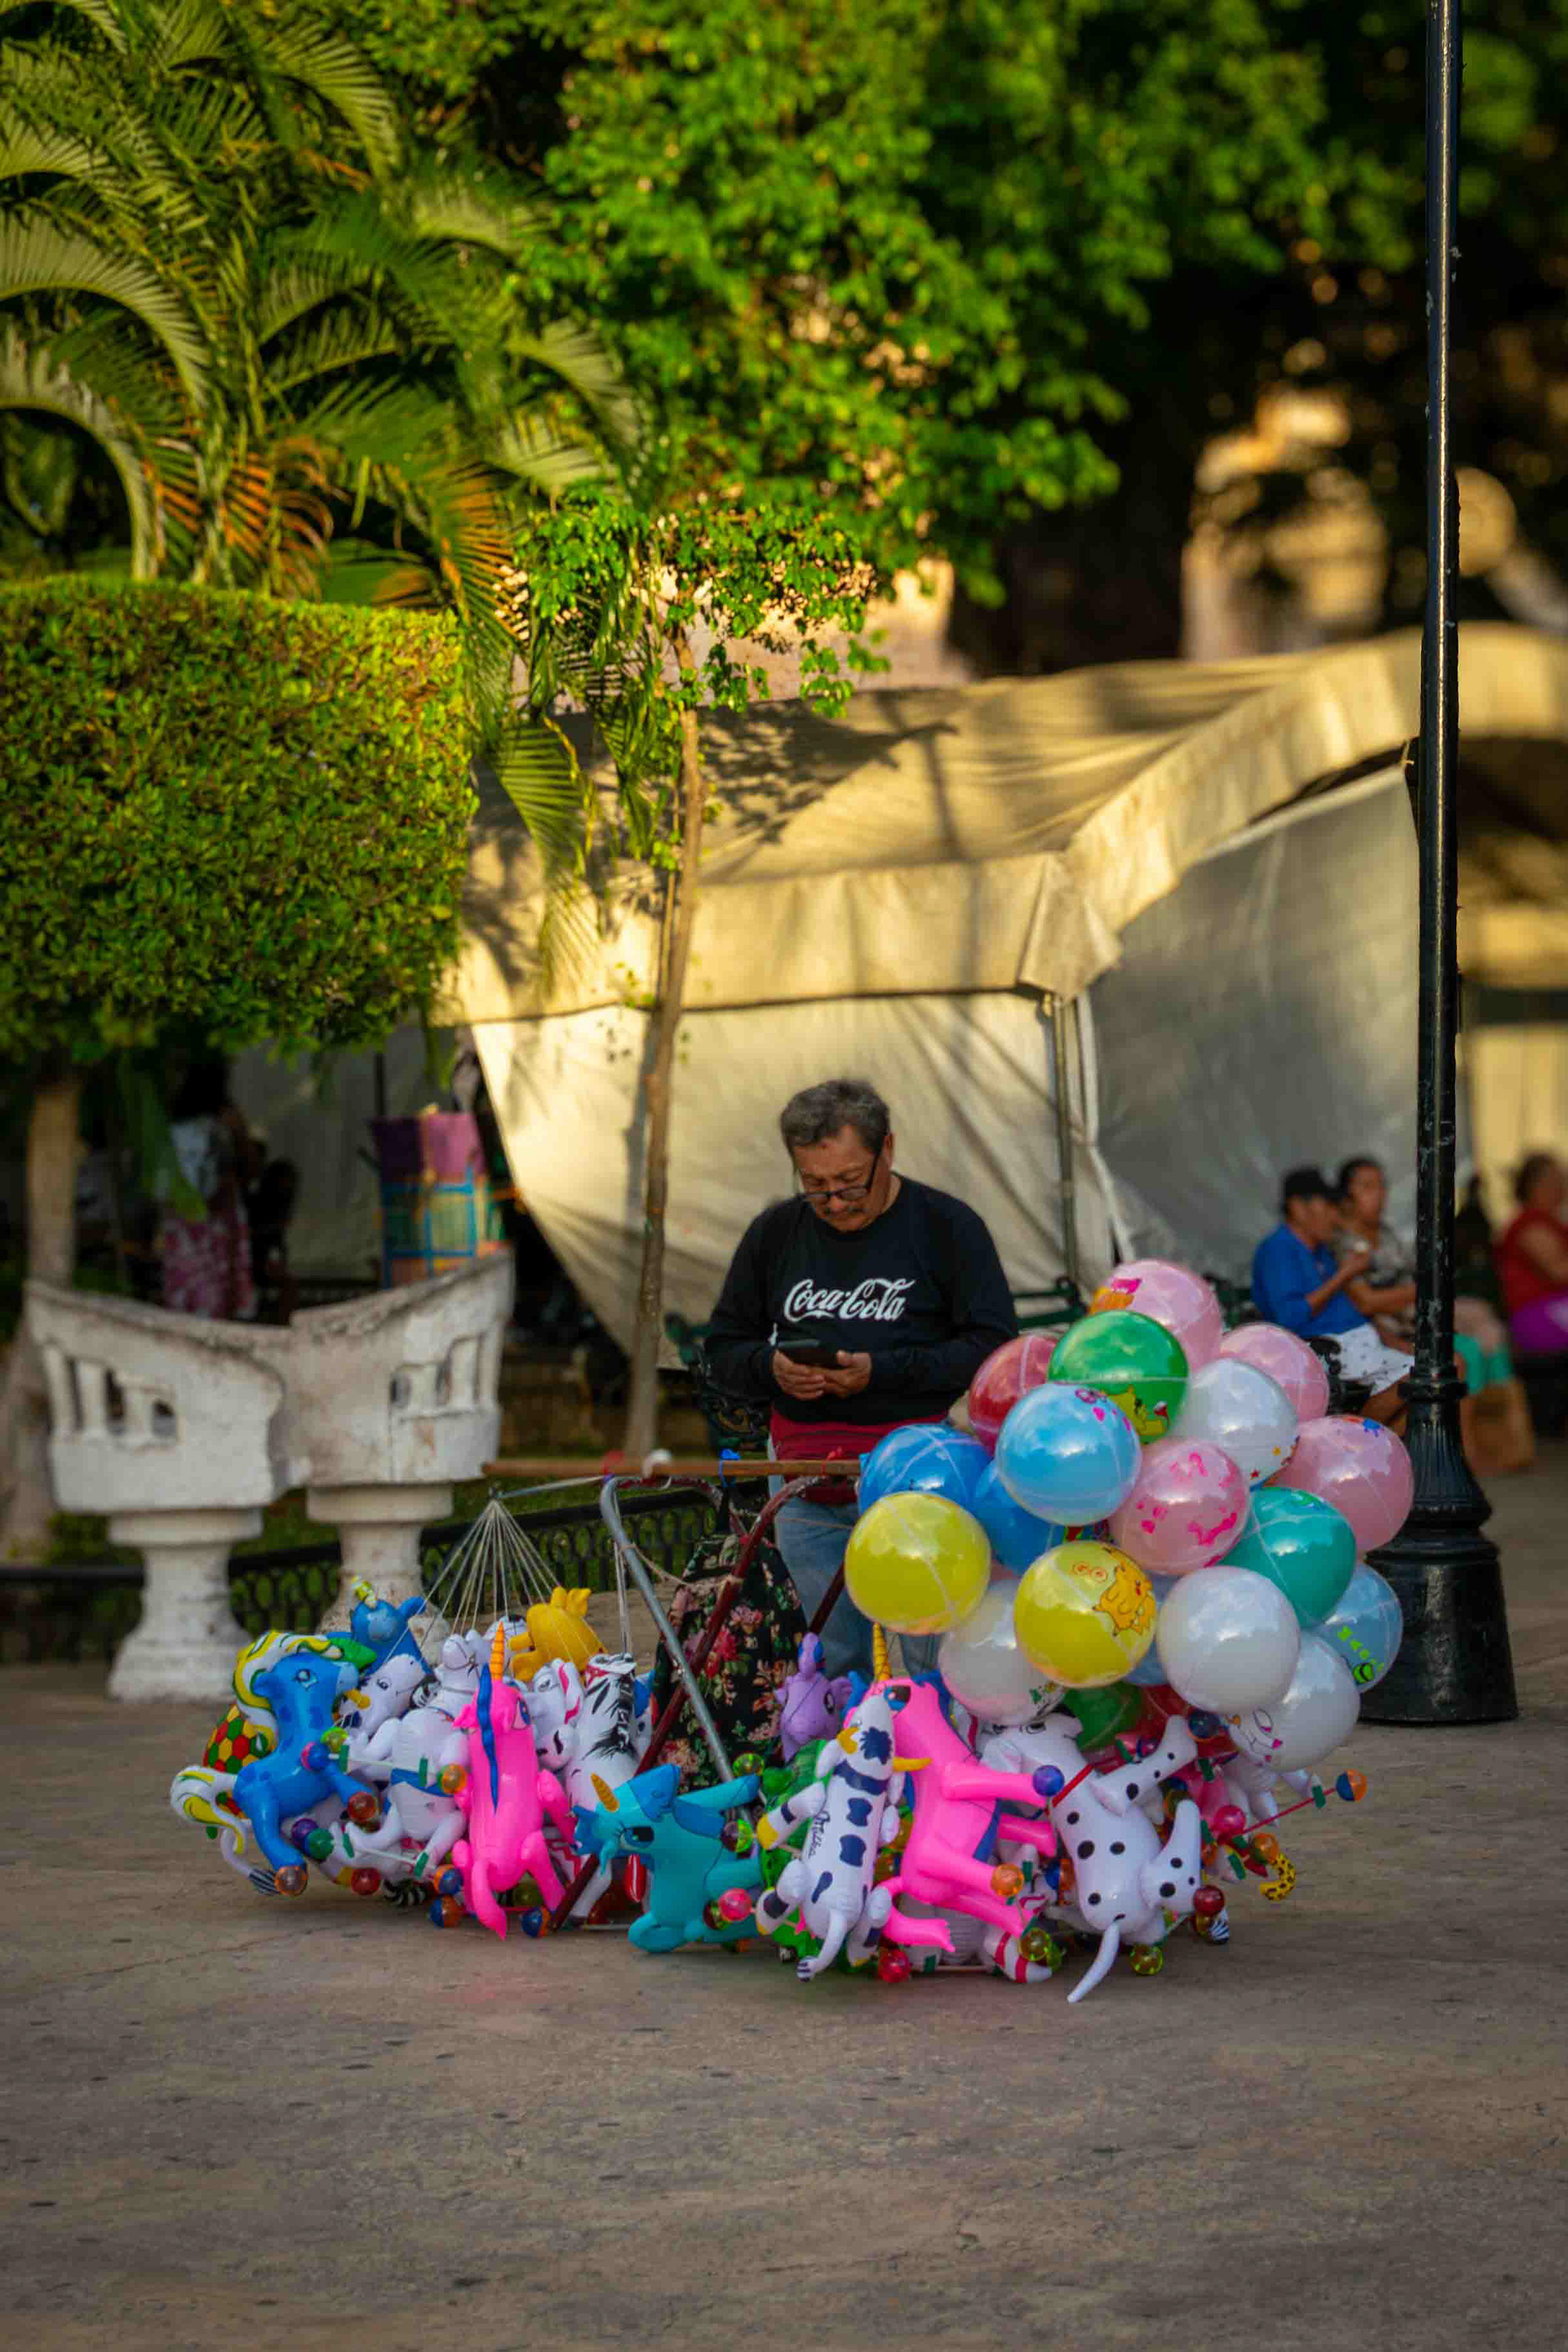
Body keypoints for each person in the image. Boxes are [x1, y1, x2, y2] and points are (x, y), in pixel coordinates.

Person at [705, 1076, 1018, 1677]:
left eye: (850, 1183)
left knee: (937, 1655)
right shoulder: (775, 1234)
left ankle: (940, 1762)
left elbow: (993, 1351)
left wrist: (881, 1373)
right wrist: (770, 1369)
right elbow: (722, 1349)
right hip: (804, 1480)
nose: (836, 1202)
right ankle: (842, 1764)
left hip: (923, 1478)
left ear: (888, 1150)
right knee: (826, 1661)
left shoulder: (947, 1227)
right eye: (815, 1187)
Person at [1250, 1167, 1410, 1427]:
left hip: (1360, 1343)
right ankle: (1353, 1441)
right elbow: (1290, 1317)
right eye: (1327, 1207)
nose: (1335, 1219)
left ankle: (1375, 1450)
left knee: (1431, 1382)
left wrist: (1391, 1339)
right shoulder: (1277, 1249)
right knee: (1419, 1378)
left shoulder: (1320, 1250)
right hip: (1327, 1351)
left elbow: (1353, 1309)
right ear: (1298, 1208)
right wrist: (1345, 1274)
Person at [159, 1058, 257, 1320]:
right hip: (216, 1218)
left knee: (191, 1289)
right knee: (217, 1288)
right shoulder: (224, 1119)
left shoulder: (172, 1122)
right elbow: (249, 1171)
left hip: (186, 1216)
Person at [1496, 1152, 1568, 1355]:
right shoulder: (1529, 1224)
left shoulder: (1552, 1221)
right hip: (1539, 1315)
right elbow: (1559, 1271)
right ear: (1536, 1186)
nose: (1563, 1186)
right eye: (1556, 1179)